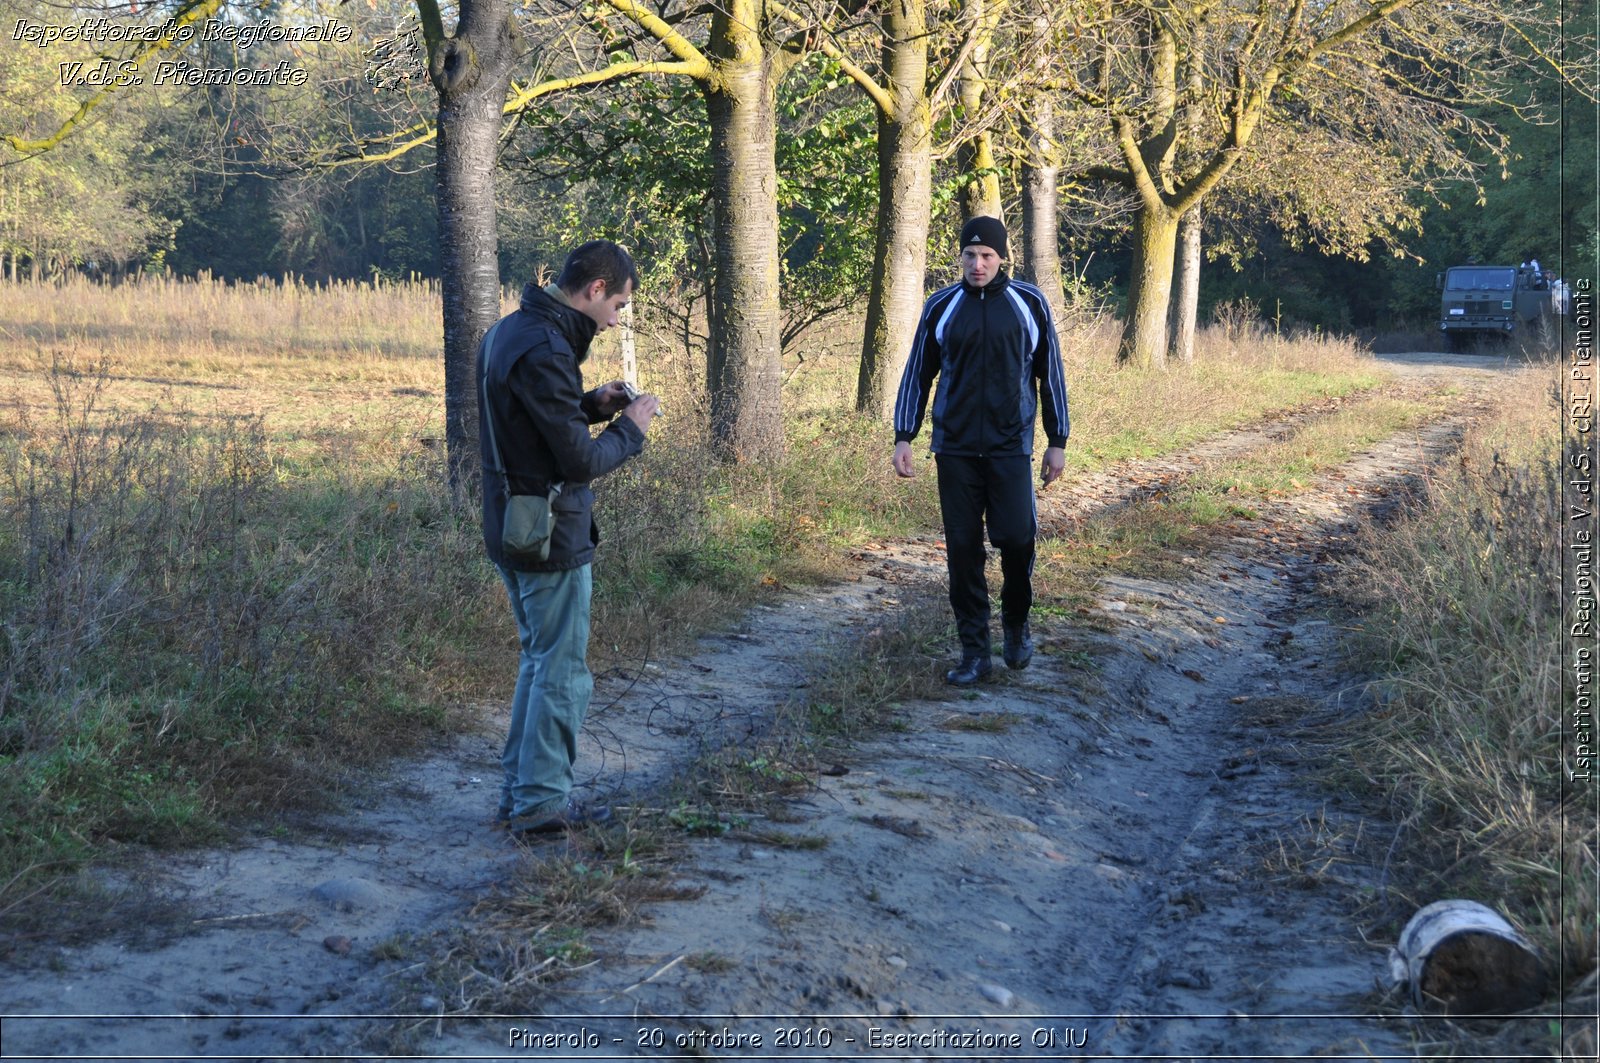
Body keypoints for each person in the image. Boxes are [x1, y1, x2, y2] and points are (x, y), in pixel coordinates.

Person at [478, 240, 661, 836]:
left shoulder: (513, 331)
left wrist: (590, 403)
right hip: (547, 528)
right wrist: (629, 430)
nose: (616, 319)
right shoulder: (547, 348)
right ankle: (538, 805)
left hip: (512, 519)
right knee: (561, 671)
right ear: (595, 290)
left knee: (539, 662)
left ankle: (520, 795)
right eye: (618, 306)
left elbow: (530, 424)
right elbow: (577, 461)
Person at [891, 216, 1070, 686]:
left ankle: (1015, 624)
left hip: (1012, 447)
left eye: (987, 256)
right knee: (963, 552)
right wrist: (904, 435)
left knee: (1016, 538)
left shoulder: (1028, 303)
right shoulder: (941, 306)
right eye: (970, 256)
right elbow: (917, 374)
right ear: (960, 258)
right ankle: (974, 653)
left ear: (1001, 257)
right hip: (954, 449)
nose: (977, 264)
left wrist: (1057, 441)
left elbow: (1050, 373)